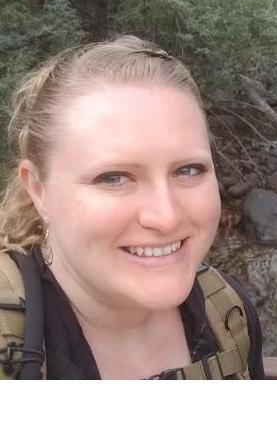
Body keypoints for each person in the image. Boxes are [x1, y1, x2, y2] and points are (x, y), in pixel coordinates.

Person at [0, 35, 263, 379]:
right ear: (38, 189)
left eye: (188, 170)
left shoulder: (229, 313)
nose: (166, 217)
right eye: (113, 178)